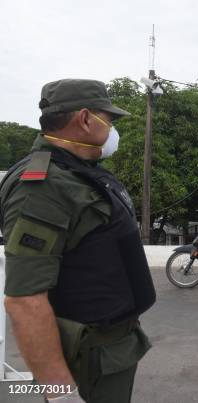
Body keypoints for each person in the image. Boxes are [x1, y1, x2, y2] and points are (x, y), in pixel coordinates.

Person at [0, 79, 156, 402]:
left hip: (112, 352)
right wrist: (61, 395)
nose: (112, 130)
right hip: (87, 362)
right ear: (85, 120)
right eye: (108, 120)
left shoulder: (78, 171)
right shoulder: (43, 188)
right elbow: (24, 302)